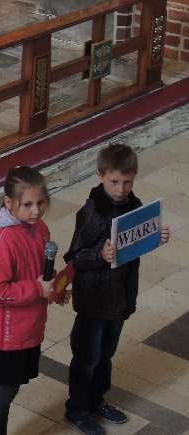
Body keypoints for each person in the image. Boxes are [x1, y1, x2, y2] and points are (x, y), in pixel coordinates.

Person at [64, 143, 170, 435]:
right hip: (94, 300)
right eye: (114, 182)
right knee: (87, 358)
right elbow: (74, 258)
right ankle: (77, 409)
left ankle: (96, 400)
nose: (121, 189)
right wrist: (100, 254)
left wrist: (155, 236)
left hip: (120, 297)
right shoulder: (92, 212)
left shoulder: (135, 206)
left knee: (105, 355)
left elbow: (134, 245)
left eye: (127, 182)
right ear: (100, 175)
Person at [0, 166, 57, 435]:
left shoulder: (39, 229)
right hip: (6, 333)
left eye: (41, 203)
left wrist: (53, 285)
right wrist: (37, 289)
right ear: (9, 202)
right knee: (3, 392)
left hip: (26, 325)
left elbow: (38, 271)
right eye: (27, 204)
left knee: (4, 391)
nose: (36, 211)